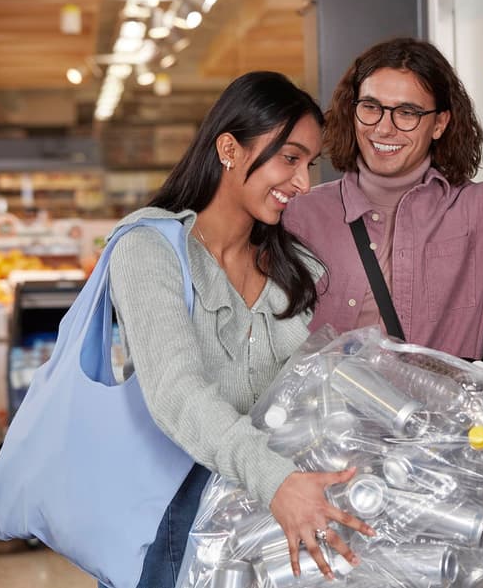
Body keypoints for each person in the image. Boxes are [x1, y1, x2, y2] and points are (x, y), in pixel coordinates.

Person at [106, 71, 373, 588]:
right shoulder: (149, 248)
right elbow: (175, 393)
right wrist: (277, 482)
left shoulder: (292, 266)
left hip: (260, 523)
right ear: (229, 148)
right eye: (290, 158)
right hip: (168, 519)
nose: (303, 183)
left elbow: (305, 393)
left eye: (310, 164)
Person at [284, 38, 483, 361]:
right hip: (319, 412)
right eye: (371, 107)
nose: (384, 129)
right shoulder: (297, 215)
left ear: (439, 123)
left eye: (407, 112)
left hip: (437, 411)